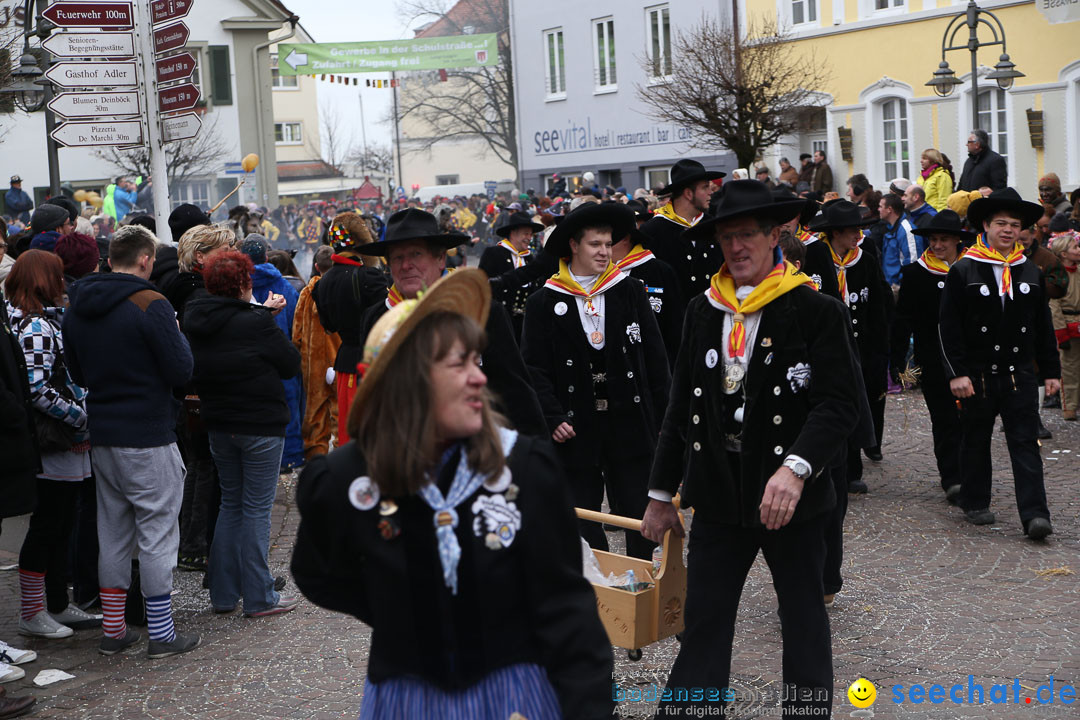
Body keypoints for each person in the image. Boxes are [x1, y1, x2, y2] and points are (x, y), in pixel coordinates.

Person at [291, 269, 615, 719]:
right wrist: (400, 610)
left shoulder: (524, 468)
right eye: (458, 364)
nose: (479, 378)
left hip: (513, 696)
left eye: (476, 361)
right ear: (410, 380)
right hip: (406, 698)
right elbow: (316, 572)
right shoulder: (345, 480)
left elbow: (569, 611)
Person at [643, 180, 860, 718]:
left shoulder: (815, 309)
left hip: (790, 496)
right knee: (705, 620)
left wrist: (796, 469)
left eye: (745, 236)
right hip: (718, 491)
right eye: (725, 237)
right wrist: (657, 492)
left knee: (803, 618)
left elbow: (839, 405)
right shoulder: (702, 310)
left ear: (774, 235)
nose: (735, 248)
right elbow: (680, 408)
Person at [62, 224, 200, 658]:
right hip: (148, 434)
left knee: (114, 533)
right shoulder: (150, 303)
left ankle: (115, 630)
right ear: (145, 260)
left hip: (104, 433)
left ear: (109, 258)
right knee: (158, 533)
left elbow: (77, 374)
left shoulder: (77, 306)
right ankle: (161, 633)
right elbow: (182, 371)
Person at [521, 203, 671, 560]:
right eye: (595, 245)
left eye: (608, 244)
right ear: (573, 246)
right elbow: (533, 368)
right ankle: (596, 593)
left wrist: (665, 422)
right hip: (576, 427)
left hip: (629, 422)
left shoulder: (631, 290)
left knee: (638, 513)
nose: (605, 252)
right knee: (582, 519)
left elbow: (655, 359)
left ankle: (643, 587)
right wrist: (552, 416)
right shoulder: (543, 301)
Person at [182, 250, 301, 617]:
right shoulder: (255, 321)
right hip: (259, 422)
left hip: (220, 421)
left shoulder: (197, 319)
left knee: (232, 505)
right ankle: (260, 595)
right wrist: (265, 316)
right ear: (245, 283)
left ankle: (223, 592)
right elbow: (289, 363)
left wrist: (260, 314)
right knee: (255, 509)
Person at [358, 208, 547, 438]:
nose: (406, 265)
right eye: (398, 257)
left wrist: (534, 453)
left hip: (474, 447)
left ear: (440, 259)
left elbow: (514, 390)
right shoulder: (378, 317)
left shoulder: (481, 310)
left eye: (416, 254)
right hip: (403, 451)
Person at [939, 188, 1059, 540]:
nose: (1008, 230)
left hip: (1018, 373)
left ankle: (1035, 515)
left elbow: (1042, 327)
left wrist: (1050, 371)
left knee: (1025, 443)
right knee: (975, 439)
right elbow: (948, 327)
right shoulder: (964, 269)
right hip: (977, 374)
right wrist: (956, 373)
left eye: (1015, 225)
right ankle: (975, 500)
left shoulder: (1029, 271)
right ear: (986, 227)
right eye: (1001, 224)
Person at [4, 250, 100, 640]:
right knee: (50, 526)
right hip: (54, 442)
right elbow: (38, 388)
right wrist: (80, 417)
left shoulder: (28, 321)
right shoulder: (38, 327)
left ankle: (56, 603)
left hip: (56, 441)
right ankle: (34, 610)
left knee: (59, 523)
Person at [809, 201, 890, 490]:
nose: (859, 235)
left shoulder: (865, 259)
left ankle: (852, 470)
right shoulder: (814, 257)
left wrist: (882, 349)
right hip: (826, 348)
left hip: (862, 347)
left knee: (857, 404)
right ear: (836, 232)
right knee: (830, 405)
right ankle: (827, 466)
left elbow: (878, 305)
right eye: (853, 230)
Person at [893, 211, 971, 503]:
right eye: (934, 239)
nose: (937, 245)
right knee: (945, 418)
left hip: (967, 358)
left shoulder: (970, 269)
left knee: (971, 419)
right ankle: (952, 477)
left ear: (956, 241)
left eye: (944, 240)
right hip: (932, 358)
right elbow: (903, 319)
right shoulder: (915, 273)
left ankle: (971, 473)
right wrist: (899, 359)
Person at [312, 212, 390, 445]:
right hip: (371, 364)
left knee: (349, 434)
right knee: (373, 434)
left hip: (344, 362)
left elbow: (328, 326)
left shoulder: (322, 283)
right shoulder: (369, 277)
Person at [239, 236, 304, 471]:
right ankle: (291, 456)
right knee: (289, 406)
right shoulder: (285, 286)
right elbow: (299, 325)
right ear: (266, 256)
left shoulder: (237, 284)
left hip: (249, 359)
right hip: (283, 354)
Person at [639, 159, 726, 300]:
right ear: (688, 193)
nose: (711, 192)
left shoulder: (715, 226)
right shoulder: (653, 231)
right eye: (705, 187)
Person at [611, 207, 684, 367]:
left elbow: (675, 327)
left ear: (624, 238)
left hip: (656, 364)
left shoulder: (660, 271)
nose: (602, 247)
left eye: (607, 239)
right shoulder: (598, 273)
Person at [293, 245, 341, 460]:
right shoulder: (345, 288)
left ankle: (316, 460)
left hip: (313, 364)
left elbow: (297, 332)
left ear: (316, 266)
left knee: (315, 415)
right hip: (341, 359)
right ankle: (343, 458)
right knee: (341, 413)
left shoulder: (307, 292)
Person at [478, 211, 551, 341]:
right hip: (500, 322)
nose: (529, 238)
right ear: (513, 233)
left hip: (525, 324)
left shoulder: (530, 259)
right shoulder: (494, 253)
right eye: (525, 233)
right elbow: (483, 286)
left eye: (530, 234)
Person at [879, 193, 919, 289]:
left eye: (880, 206)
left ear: (889, 209)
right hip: (890, 287)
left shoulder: (907, 230)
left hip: (901, 289)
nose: (878, 209)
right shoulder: (890, 229)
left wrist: (901, 287)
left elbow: (913, 263)